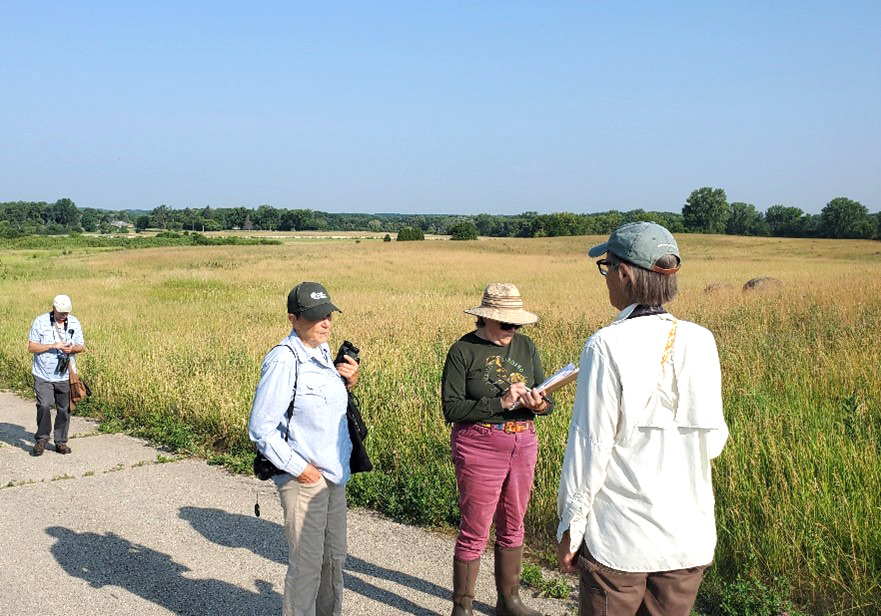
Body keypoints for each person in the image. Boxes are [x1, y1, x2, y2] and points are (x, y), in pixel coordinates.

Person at [556, 222, 729, 616]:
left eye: (606, 267)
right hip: (687, 538)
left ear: (625, 273)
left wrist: (571, 527)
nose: (606, 279)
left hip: (620, 540)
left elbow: (590, 447)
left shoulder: (605, 344)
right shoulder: (702, 340)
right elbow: (714, 442)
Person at [248, 282, 360, 616]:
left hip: (334, 475)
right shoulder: (284, 360)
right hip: (305, 481)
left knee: (333, 561)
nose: (326, 322)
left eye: (328, 314)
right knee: (307, 566)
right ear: (293, 319)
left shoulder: (322, 352)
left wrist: (349, 382)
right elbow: (261, 427)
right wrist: (301, 470)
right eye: (315, 317)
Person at [442, 283, 553, 616]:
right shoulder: (463, 350)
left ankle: (509, 601)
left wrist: (539, 404)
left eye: (517, 323)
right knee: (475, 528)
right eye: (507, 324)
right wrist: (500, 402)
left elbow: (548, 401)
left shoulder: (526, 346)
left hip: (523, 441)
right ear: (487, 319)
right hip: (479, 442)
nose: (513, 329)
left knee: (514, 523)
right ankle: (462, 608)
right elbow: (451, 409)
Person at [27, 294, 86, 456]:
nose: (64, 315)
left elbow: (80, 346)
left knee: (65, 409)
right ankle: (41, 439)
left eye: (67, 312)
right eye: (61, 312)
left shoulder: (74, 322)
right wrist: (52, 346)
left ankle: (60, 442)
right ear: (53, 308)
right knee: (44, 405)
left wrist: (71, 349)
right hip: (43, 374)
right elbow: (32, 347)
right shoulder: (40, 321)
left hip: (65, 375)